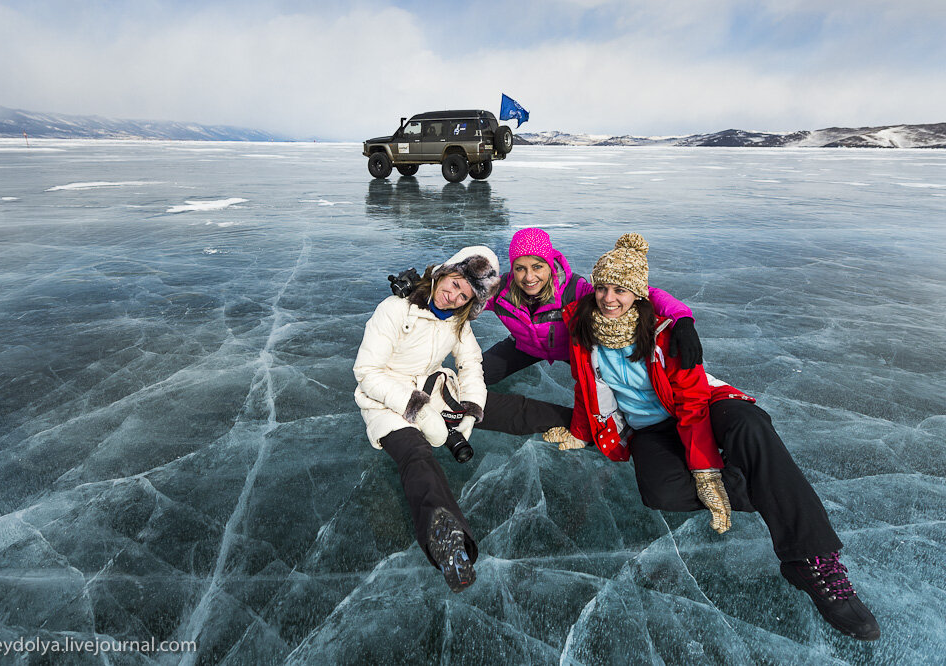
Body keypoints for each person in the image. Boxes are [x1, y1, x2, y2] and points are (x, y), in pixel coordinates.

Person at [544, 232, 880, 641]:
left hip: (699, 402)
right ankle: (771, 486)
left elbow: (690, 405)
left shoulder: (667, 332)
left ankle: (810, 559)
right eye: (602, 288)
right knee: (660, 492)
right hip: (649, 425)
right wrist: (581, 432)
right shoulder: (582, 326)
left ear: (638, 293)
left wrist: (705, 473)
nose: (608, 298)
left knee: (750, 425)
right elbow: (585, 386)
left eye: (620, 290)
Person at [353, 246, 570, 593]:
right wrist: (418, 410)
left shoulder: (457, 322)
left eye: (464, 294)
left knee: (510, 408)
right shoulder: (395, 309)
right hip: (386, 401)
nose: (452, 296)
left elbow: (471, 365)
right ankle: (450, 544)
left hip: (433, 388)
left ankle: (580, 421)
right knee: (416, 457)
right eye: (453, 283)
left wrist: (471, 409)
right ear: (443, 273)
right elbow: (366, 372)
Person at [482, 227, 702, 387]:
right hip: (525, 346)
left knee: (610, 394)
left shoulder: (574, 289)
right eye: (520, 268)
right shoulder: (502, 290)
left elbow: (645, 293)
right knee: (477, 377)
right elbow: (464, 295)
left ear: (549, 265)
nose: (529, 277)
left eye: (537, 266)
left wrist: (682, 320)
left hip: (572, 349)